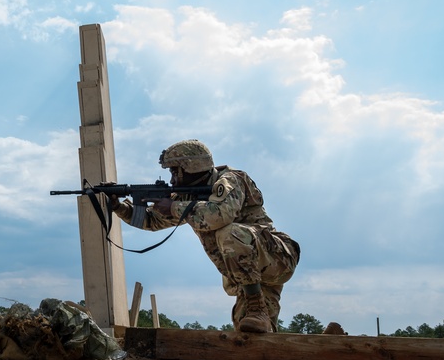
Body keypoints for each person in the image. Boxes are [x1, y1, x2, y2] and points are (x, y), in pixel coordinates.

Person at [108, 140, 300, 333]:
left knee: (230, 233)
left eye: (175, 172)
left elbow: (219, 215)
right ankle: (327, 338)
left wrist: (173, 207)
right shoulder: (187, 196)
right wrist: (119, 207)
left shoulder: (231, 180)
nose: (173, 180)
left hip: (276, 257)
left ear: (189, 168)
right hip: (250, 277)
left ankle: (257, 309)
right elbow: (151, 221)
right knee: (251, 333)